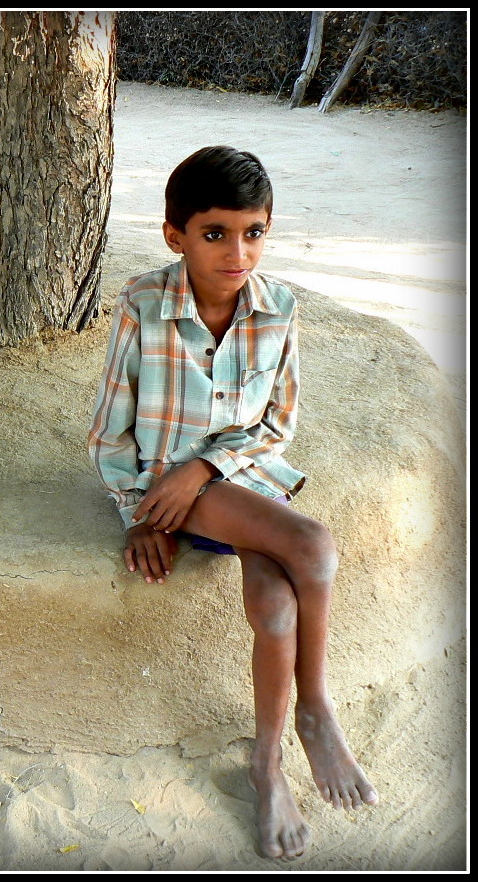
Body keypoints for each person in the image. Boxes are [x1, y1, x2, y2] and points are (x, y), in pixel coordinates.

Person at [86, 146, 379, 860]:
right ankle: (314, 708)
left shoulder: (278, 308)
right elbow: (106, 430)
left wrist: (209, 466)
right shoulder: (142, 303)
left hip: (243, 484)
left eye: (252, 232)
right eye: (214, 233)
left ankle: (266, 763)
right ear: (174, 236)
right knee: (311, 545)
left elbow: (276, 423)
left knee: (276, 607)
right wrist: (138, 510)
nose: (235, 251)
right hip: (167, 486)